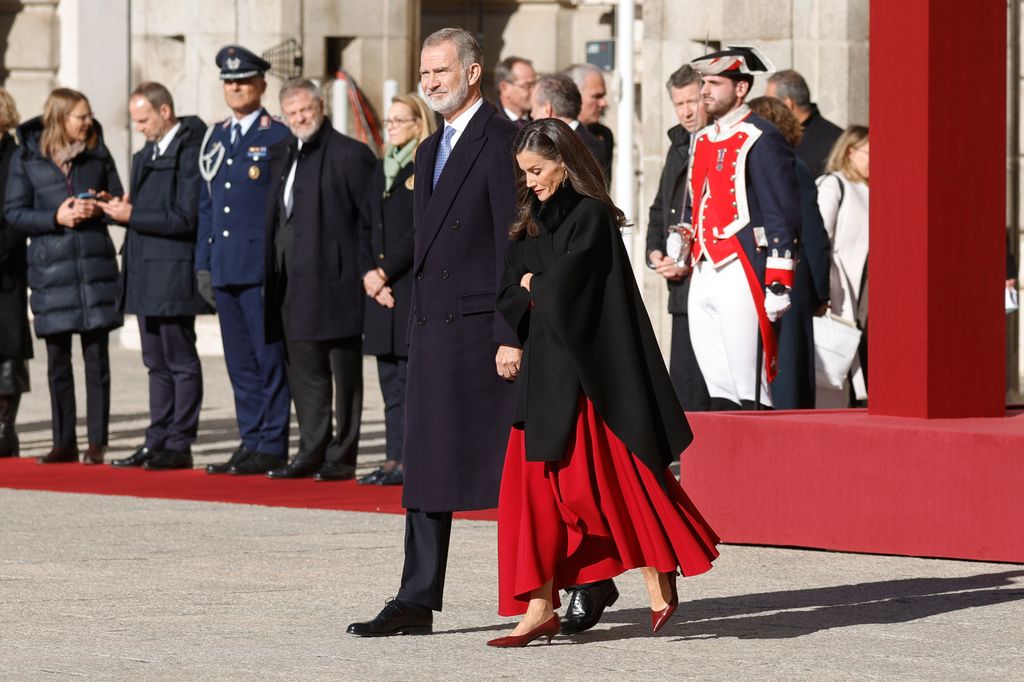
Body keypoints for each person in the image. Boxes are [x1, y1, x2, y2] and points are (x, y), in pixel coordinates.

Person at [488, 119, 719, 647]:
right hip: (542, 375)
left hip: (588, 379)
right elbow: (509, 287)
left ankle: (658, 573)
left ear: (565, 163)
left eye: (538, 170)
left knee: (614, 486)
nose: (531, 182)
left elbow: (567, 290)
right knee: (530, 495)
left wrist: (532, 285)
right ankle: (538, 607)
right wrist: (529, 290)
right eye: (524, 173)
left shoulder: (591, 216)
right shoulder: (529, 221)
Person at [346, 27, 519, 637]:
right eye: (424, 74)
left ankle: (577, 582)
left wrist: (511, 331)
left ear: (473, 72)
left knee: (516, 469)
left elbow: (512, 244)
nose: (430, 83)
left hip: (482, 332)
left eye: (440, 71)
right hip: (431, 326)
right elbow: (426, 236)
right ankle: (416, 597)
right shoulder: (428, 149)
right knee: (425, 465)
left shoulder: (504, 141)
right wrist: (390, 273)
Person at [262, 78, 376, 482]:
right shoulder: (281, 154)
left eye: (305, 111)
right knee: (305, 373)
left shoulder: (351, 154)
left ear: (321, 106)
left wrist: (366, 271)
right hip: (291, 285)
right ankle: (310, 449)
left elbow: (369, 223)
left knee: (343, 378)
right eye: (291, 114)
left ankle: (342, 455)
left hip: (338, 285)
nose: (299, 119)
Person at [4, 88, 123, 464]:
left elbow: (117, 198)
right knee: (58, 361)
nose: (88, 122)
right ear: (59, 118)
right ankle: (63, 441)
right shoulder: (27, 157)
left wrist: (98, 207)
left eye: (88, 115)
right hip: (51, 270)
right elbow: (15, 212)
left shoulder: (97, 151)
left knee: (96, 359)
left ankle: (97, 443)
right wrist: (56, 217)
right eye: (81, 116)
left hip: (94, 268)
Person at [685, 47, 801, 410]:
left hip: (741, 264)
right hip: (702, 265)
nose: (704, 91)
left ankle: (760, 462)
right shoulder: (703, 138)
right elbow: (696, 201)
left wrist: (779, 281)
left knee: (747, 377)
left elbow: (781, 211)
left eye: (714, 83)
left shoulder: (762, 136)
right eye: (703, 82)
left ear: (741, 88)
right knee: (714, 377)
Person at [196, 45, 292, 475]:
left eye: (243, 81)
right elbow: (207, 206)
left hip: (260, 268)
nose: (235, 88)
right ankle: (250, 438)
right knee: (239, 363)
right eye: (229, 82)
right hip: (225, 265)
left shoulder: (277, 136)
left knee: (268, 358)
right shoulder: (215, 137)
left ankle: (272, 442)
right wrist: (203, 262)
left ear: (261, 85)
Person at [104, 82, 209, 470]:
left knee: (179, 359)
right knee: (155, 361)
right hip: (144, 270)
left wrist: (132, 215)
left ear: (166, 112)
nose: (140, 127)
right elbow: (148, 208)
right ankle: (157, 438)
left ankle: (180, 442)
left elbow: (186, 217)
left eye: (144, 119)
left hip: (172, 271)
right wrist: (119, 207)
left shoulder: (191, 148)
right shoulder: (144, 153)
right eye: (135, 120)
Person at [357, 93, 435, 487]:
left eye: (398, 121)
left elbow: (418, 231)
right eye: (388, 121)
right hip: (380, 290)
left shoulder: (426, 166)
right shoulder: (382, 168)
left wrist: (385, 272)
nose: (390, 128)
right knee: (389, 384)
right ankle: (391, 459)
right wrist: (370, 276)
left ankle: (410, 459)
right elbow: (366, 226)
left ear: (419, 124)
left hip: (405, 287)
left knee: (409, 382)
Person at [747, 96, 832, 410]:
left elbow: (812, 234)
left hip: (773, 276)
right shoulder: (789, 165)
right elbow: (814, 236)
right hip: (786, 276)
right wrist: (820, 293)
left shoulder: (773, 165)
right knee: (786, 370)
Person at [645, 65, 711, 412]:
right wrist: (655, 252)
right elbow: (660, 208)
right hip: (679, 285)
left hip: (708, 277)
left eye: (692, 102)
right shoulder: (678, 143)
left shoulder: (718, 141)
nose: (686, 111)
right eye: (678, 103)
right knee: (686, 382)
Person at [815, 125, 869, 408]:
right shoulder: (834, 184)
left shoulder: (874, 189)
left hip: (868, 286)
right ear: (851, 152)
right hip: (843, 288)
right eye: (871, 152)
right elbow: (821, 237)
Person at [0, 88, 31, 458]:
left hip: (6, 268)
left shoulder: (17, 156)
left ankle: (6, 428)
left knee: (8, 348)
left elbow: (19, 214)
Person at [765, 69, 843, 179]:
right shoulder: (775, 136)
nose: (767, 108)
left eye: (770, 102)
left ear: (788, 104)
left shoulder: (836, 141)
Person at [528, 73, 605, 171]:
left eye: (534, 109)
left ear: (547, 110)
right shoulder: (591, 142)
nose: (531, 115)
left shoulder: (582, 148)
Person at [564, 63, 613, 184]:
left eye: (603, 96)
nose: (603, 103)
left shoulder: (603, 135)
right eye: (597, 96)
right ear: (574, 95)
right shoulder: (549, 134)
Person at [495, 56, 536, 127]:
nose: (534, 91)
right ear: (505, 88)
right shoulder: (490, 122)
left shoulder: (538, 120)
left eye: (535, 85)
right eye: (527, 86)